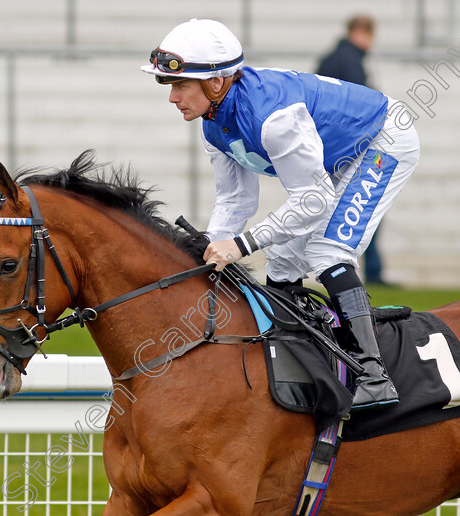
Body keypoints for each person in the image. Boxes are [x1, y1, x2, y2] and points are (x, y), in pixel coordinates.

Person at [141, 18, 420, 410]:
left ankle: (374, 375)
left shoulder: (274, 119)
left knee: (326, 252)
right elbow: (236, 200)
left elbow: (314, 200)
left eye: (180, 85)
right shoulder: (213, 123)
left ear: (216, 83)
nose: (173, 97)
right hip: (340, 155)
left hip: (383, 139)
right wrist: (208, 248)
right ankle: (293, 352)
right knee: (283, 257)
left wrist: (239, 245)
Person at [316, 15, 391, 286]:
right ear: (362, 33)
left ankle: (360, 267)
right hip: (353, 146)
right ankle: (368, 270)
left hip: (331, 146)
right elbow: (363, 105)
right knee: (364, 203)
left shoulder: (331, 58)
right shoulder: (351, 61)